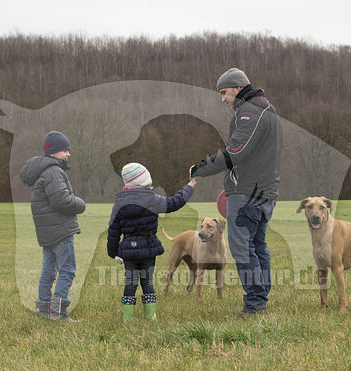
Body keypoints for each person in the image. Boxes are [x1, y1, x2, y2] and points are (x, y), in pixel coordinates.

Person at [189, 68, 283, 316]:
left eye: (224, 92)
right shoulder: (268, 110)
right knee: (257, 244)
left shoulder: (250, 112)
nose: (222, 99)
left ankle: (254, 304)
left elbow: (236, 152)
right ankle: (260, 298)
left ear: (238, 87)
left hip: (247, 193)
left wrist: (200, 168)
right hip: (265, 191)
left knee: (243, 248)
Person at [107, 163, 196, 322]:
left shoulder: (119, 204)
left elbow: (113, 230)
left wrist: (113, 252)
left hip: (128, 250)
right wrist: (189, 187)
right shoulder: (151, 199)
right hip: (148, 248)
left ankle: (127, 317)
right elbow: (174, 202)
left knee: (131, 283)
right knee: (147, 282)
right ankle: (150, 316)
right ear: (143, 181)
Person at [20, 131, 86, 321]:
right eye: (65, 150)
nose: (68, 154)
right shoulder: (54, 171)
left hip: (47, 232)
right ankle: (58, 311)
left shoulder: (44, 171)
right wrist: (80, 204)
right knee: (67, 270)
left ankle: (44, 308)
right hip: (61, 231)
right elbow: (62, 201)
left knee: (48, 270)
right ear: (54, 152)